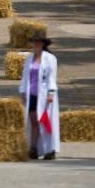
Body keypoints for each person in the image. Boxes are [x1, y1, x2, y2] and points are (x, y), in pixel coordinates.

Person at [18, 31, 60, 160]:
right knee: (33, 119)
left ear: (43, 44)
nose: (36, 44)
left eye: (39, 42)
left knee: (45, 120)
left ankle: (50, 148)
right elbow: (25, 76)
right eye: (34, 42)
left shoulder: (50, 58)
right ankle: (34, 147)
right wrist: (23, 91)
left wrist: (51, 92)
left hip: (45, 95)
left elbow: (52, 77)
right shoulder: (29, 58)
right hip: (32, 94)